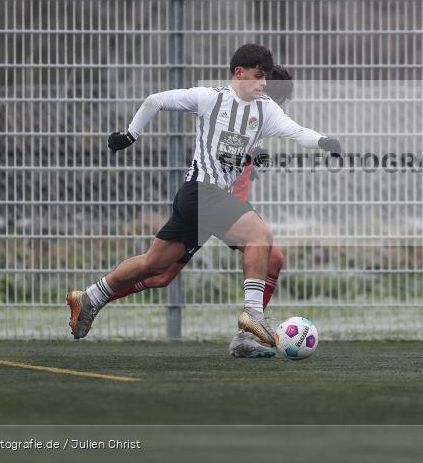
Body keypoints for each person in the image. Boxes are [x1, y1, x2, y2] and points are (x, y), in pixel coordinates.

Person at [66, 46, 340, 352]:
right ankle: (253, 318)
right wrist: (130, 135)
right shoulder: (212, 98)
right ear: (240, 73)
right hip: (199, 192)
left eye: (268, 80)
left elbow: (297, 131)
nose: (264, 85)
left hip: (209, 203)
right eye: (260, 77)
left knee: (156, 266)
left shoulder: (266, 112)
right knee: (259, 237)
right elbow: (155, 100)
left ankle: (90, 296)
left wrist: (323, 141)